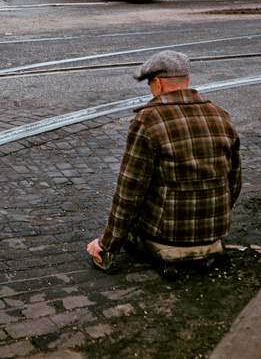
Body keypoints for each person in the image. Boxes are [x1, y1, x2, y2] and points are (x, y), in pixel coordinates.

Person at [86, 50, 242, 273]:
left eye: (150, 84)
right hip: (213, 238)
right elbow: (234, 181)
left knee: (138, 203)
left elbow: (130, 192)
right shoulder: (220, 115)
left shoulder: (148, 120)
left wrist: (106, 244)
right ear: (186, 81)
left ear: (157, 84)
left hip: (167, 240)